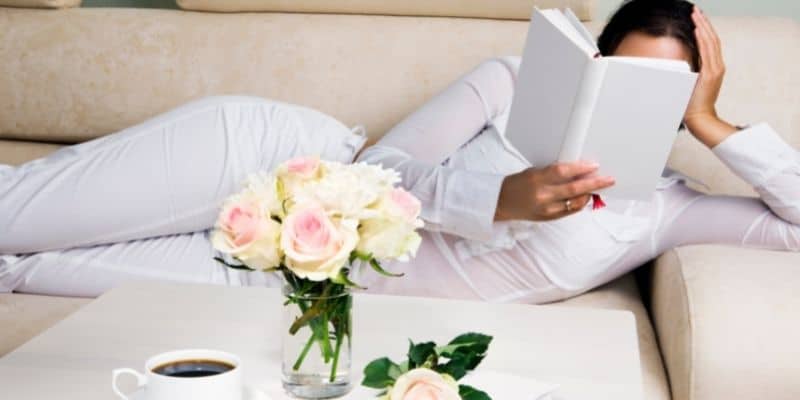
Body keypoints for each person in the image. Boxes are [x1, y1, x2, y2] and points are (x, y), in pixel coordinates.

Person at [0, 0, 797, 300]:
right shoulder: (514, 81)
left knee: (21, 271)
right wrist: (499, 200)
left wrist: (715, 126)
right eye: (624, 74)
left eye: (669, 94)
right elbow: (373, 174)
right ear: (593, 64)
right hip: (272, 162)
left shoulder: (663, 212)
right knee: (13, 218)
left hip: (302, 276)